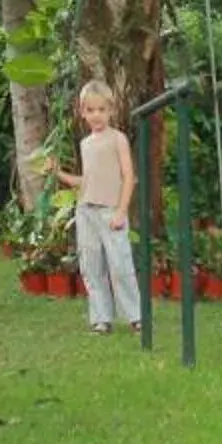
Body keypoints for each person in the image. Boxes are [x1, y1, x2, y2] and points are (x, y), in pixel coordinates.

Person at [57, 79, 141, 334]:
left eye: (101, 110)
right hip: (86, 212)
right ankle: (101, 319)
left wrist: (121, 211)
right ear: (82, 112)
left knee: (120, 265)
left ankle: (137, 317)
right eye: (90, 110)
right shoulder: (85, 144)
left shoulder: (118, 139)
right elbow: (87, 181)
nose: (96, 115)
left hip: (110, 211)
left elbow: (129, 177)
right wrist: (58, 173)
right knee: (91, 267)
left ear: (111, 110)